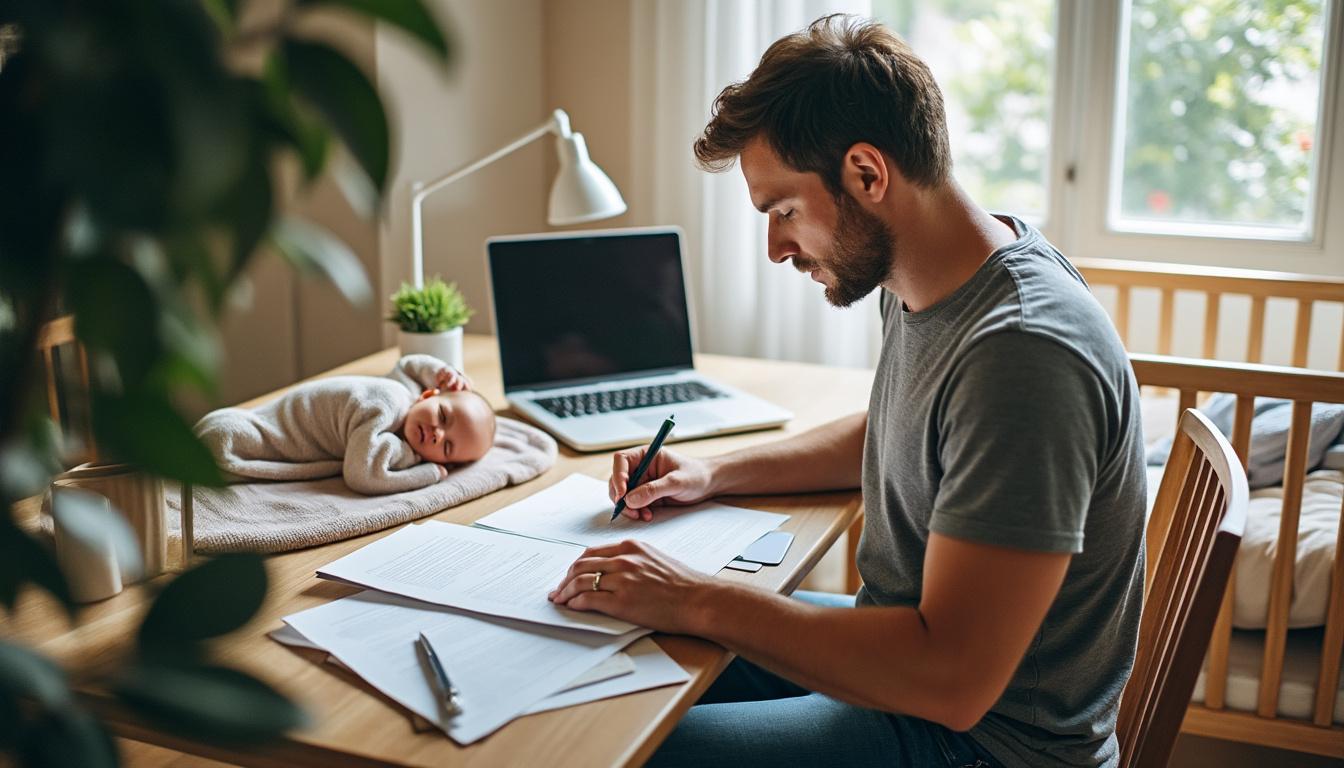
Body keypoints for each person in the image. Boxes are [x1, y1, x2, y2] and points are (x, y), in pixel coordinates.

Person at [548, 15, 1145, 768]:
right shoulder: (937, 269)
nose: (775, 249)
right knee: (626, 650)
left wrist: (693, 595)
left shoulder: (1024, 354)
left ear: (868, 174)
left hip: (981, 741)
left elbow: (951, 680)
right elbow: (896, 430)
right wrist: (712, 474)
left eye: (784, 211)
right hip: (913, 668)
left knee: (602, 750)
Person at [196, 354, 497, 495]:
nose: (436, 432)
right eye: (443, 416)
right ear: (428, 393)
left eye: (446, 447)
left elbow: (407, 365)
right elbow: (362, 475)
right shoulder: (389, 403)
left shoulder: (394, 427)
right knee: (218, 447)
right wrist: (428, 472)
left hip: (251, 423)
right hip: (244, 432)